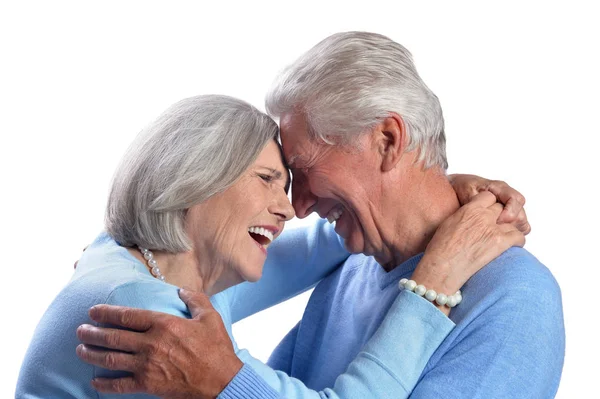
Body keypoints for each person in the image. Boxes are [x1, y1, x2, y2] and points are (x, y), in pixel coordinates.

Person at [74, 32, 565, 398]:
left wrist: (228, 383)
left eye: (301, 171)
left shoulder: (514, 297)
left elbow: (243, 383)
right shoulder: (352, 268)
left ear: (388, 141)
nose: (299, 207)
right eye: (276, 178)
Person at [16, 93, 527, 399]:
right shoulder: (148, 312)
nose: (289, 208)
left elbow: (313, 248)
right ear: (198, 181)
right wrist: (430, 287)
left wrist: (425, 193)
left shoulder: (137, 258)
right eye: (267, 180)